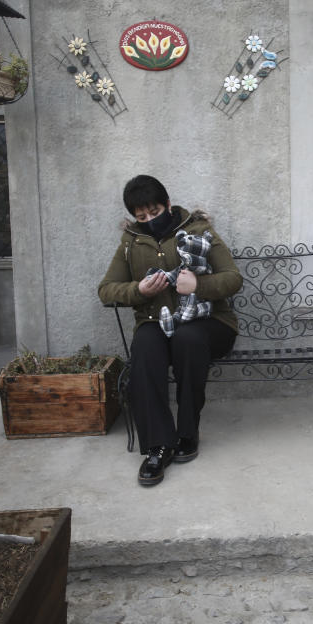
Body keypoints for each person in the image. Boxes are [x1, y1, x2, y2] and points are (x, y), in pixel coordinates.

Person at [98, 175, 242, 486]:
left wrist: (199, 285)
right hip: (155, 322)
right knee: (145, 347)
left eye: (154, 212)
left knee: (187, 339)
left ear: (167, 203)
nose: (149, 220)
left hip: (209, 324)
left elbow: (233, 278)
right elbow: (107, 290)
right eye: (141, 216)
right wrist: (139, 290)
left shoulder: (198, 230)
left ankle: (188, 433)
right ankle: (158, 447)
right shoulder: (131, 241)